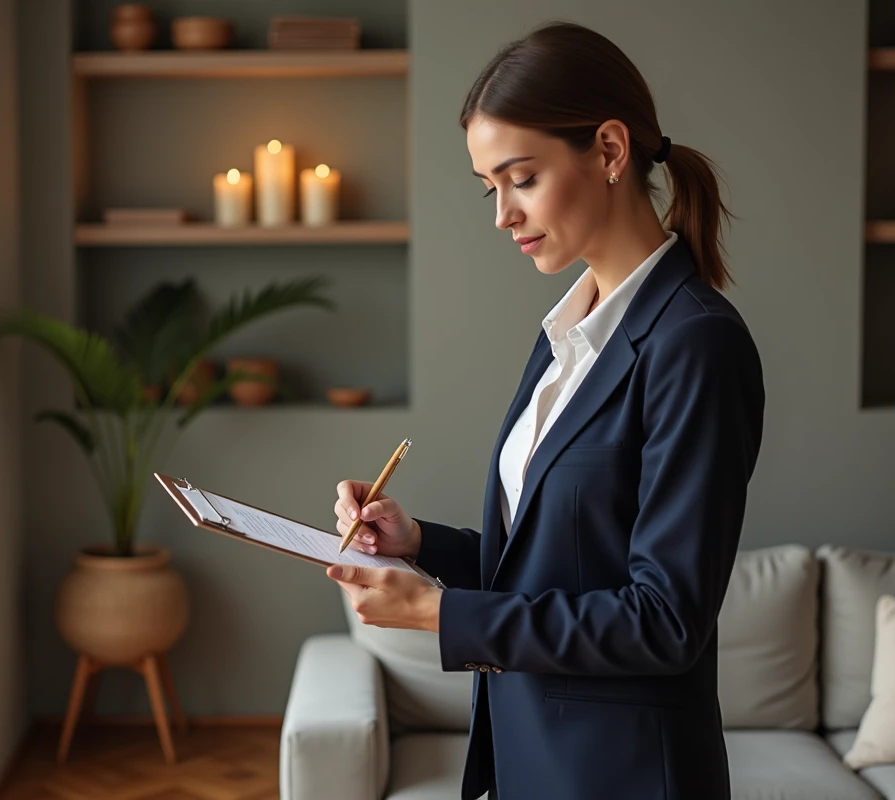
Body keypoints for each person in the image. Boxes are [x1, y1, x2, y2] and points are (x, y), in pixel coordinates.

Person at [326, 19, 765, 800]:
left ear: (608, 150)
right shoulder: (570, 334)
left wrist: (441, 616)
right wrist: (420, 541)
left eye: (520, 178)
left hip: (622, 776)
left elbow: (663, 621)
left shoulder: (695, 344)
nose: (501, 214)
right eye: (489, 186)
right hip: (536, 763)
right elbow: (551, 560)